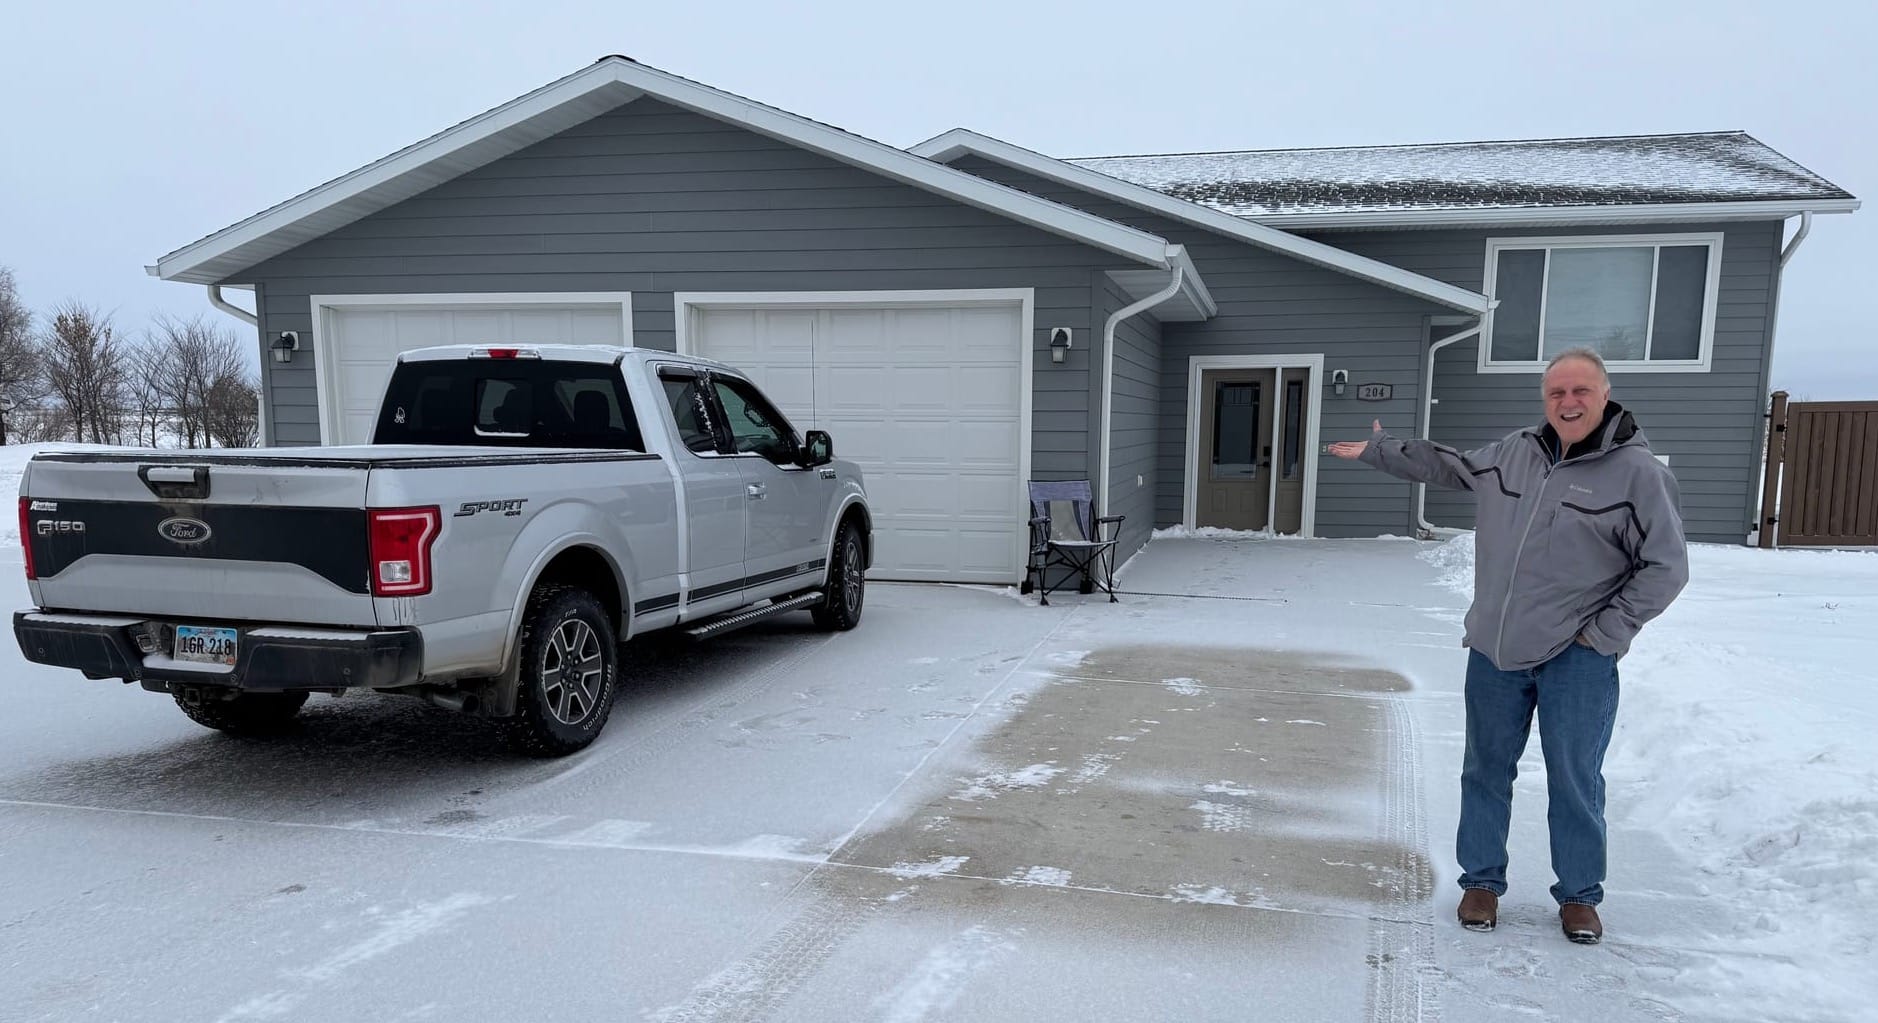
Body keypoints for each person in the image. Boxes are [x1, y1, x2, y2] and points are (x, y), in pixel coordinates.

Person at [1327, 347, 1689, 945]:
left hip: (1576, 657)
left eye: (1580, 391)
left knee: (1575, 778)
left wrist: (1603, 636)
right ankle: (1481, 883)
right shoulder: (1516, 452)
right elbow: (1452, 467)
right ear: (1545, 400)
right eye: (1556, 393)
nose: (1568, 403)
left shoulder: (1639, 474)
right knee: (1485, 770)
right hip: (1496, 649)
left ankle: (1579, 895)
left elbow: (1665, 567)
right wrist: (1382, 450)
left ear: (1605, 395)